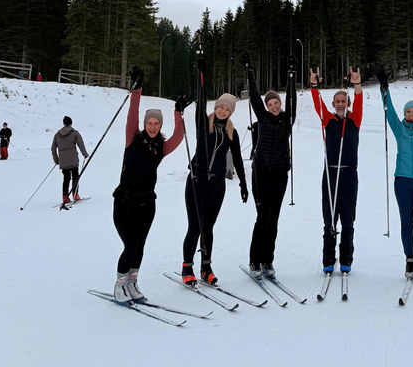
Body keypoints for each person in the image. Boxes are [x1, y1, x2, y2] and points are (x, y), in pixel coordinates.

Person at [112, 66, 187, 303]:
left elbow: (178, 137)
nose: (153, 126)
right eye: (150, 123)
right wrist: (137, 89)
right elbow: (132, 114)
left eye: (157, 123)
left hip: (147, 203)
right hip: (124, 201)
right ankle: (119, 285)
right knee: (130, 245)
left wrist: (178, 113)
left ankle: (132, 283)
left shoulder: (161, 147)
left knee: (140, 246)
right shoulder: (132, 138)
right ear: (145, 124)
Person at [181, 58, 249, 287]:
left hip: (216, 185)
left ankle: (206, 267)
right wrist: (202, 76)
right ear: (215, 107)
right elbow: (200, 103)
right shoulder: (204, 123)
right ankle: (187, 268)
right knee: (195, 226)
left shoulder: (232, 133)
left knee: (208, 227)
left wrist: (243, 184)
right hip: (197, 181)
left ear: (231, 112)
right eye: (220, 106)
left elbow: (238, 159)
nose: (222, 110)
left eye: (227, 109)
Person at [373, 63, 413, 281]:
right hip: (402, 181)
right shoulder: (398, 127)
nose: (411, 114)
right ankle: (410, 259)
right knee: (405, 223)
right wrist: (385, 88)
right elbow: (388, 109)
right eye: (408, 111)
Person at [244, 53, 297, 278]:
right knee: (263, 215)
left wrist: (291, 75)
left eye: (277, 103)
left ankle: (268, 260)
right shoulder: (263, 118)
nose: (274, 106)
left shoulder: (287, 119)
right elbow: (254, 97)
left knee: (273, 216)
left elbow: (293, 99)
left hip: (279, 173)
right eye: (270, 104)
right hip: (261, 172)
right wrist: (249, 71)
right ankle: (255, 260)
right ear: (266, 106)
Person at [310, 66, 363, 274]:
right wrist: (314, 85)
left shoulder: (354, 120)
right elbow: (317, 103)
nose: (341, 104)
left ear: (347, 103)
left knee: (348, 219)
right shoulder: (328, 119)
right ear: (333, 105)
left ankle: (346, 259)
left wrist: (357, 84)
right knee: (329, 218)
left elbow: (359, 102)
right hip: (331, 174)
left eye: (344, 101)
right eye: (337, 102)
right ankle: (328, 259)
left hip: (349, 174)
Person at [51, 116, 90, 203]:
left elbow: (53, 148)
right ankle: (75, 194)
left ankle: (65, 196)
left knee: (66, 178)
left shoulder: (57, 135)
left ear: (64, 123)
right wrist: (85, 155)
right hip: (73, 160)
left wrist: (56, 159)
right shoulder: (75, 133)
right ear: (71, 123)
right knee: (75, 177)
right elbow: (81, 145)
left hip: (63, 160)